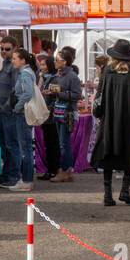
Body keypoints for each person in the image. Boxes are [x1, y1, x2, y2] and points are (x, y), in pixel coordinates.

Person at [91, 40, 130, 206]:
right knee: (129, 153)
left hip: (108, 119)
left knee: (108, 154)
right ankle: (125, 191)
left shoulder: (107, 71)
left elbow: (99, 94)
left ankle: (107, 195)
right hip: (127, 120)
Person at [4, 48, 38, 192]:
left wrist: (17, 107)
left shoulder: (25, 73)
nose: (13, 61)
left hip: (23, 114)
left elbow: (27, 93)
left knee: (25, 148)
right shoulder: (27, 72)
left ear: (23, 60)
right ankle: (26, 179)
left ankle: (27, 180)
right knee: (25, 147)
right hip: (23, 113)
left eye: (15, 58)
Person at [49, 47, 82, 183]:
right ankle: (66, 170)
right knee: (62, 143)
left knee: (64, 143)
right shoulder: (59, 75)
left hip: (67, 113)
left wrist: (58, 93)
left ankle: (66, 170)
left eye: (58, 60)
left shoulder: (72, 76)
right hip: (58, 111)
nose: (55, 62)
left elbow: (76, 95)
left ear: (65, 62)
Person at [0, 36, 19, 187]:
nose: (3, 51)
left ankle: (14, 175)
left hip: (8, 112)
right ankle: (7, 174)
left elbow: (15, 89)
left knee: (11, 145)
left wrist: (7, 106)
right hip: (0, 111)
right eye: (2, 48)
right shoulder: (5, 64)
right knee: (4, 145)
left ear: (15, 48)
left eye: (7, 49)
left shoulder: (14, 66)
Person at [34, 52, 61, 181]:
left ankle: (53, 169)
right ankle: (51, 169)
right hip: (46, 114)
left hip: (51, 115)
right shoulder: (44, 77)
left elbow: (55, 95)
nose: (41, 66)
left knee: (52, 143)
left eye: (44, 64)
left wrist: (48, 93)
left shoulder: (54, 78)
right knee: (48, 143)